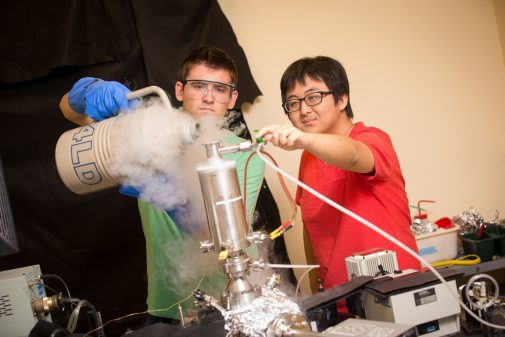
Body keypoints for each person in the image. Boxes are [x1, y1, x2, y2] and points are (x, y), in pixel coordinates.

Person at [59, 46, 265, 324]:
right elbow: (71, 114)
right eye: (199, 85)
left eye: (219, 89)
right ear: (179, 90)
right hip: (166, 303)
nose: (208, 97)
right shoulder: (146, 132)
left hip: (230, 299)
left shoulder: (244, 153)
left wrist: (173, 193)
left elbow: (226, 238)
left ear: (232, 98)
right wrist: (87, 92)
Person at [256, 56, 420, 290]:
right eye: (293, 103)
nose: (303, 110)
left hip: (395, 290)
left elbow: (354, 155)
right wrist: (316, 294)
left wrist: (305, 139)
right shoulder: (309, 157)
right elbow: (310, 228)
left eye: (313, 98)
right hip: (339, 297)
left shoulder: (372, 138)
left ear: (342, 99)